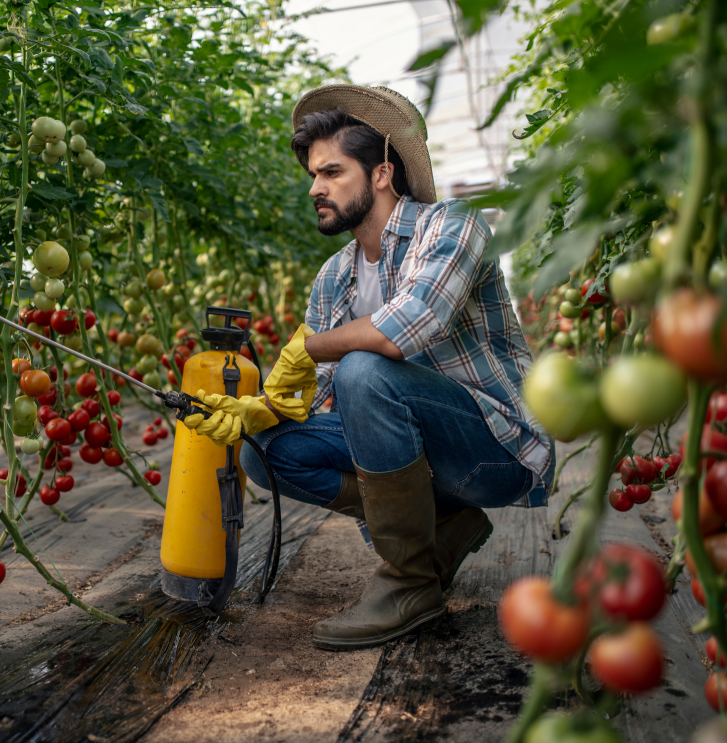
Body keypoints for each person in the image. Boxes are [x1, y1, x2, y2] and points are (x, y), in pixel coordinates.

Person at [180, 85, 554, 650]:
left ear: (381, 173)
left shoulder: (453, 224)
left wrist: (306, 349)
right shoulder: (336, 276)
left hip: (493, 448)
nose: (315, 188)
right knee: (271, 452)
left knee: (363, 368)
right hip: (422, 455)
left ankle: (409, 583)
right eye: (313, 175)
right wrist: (257, 412)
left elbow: (407, 327)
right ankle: (444, 529)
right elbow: (322, 398)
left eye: (332, 172)